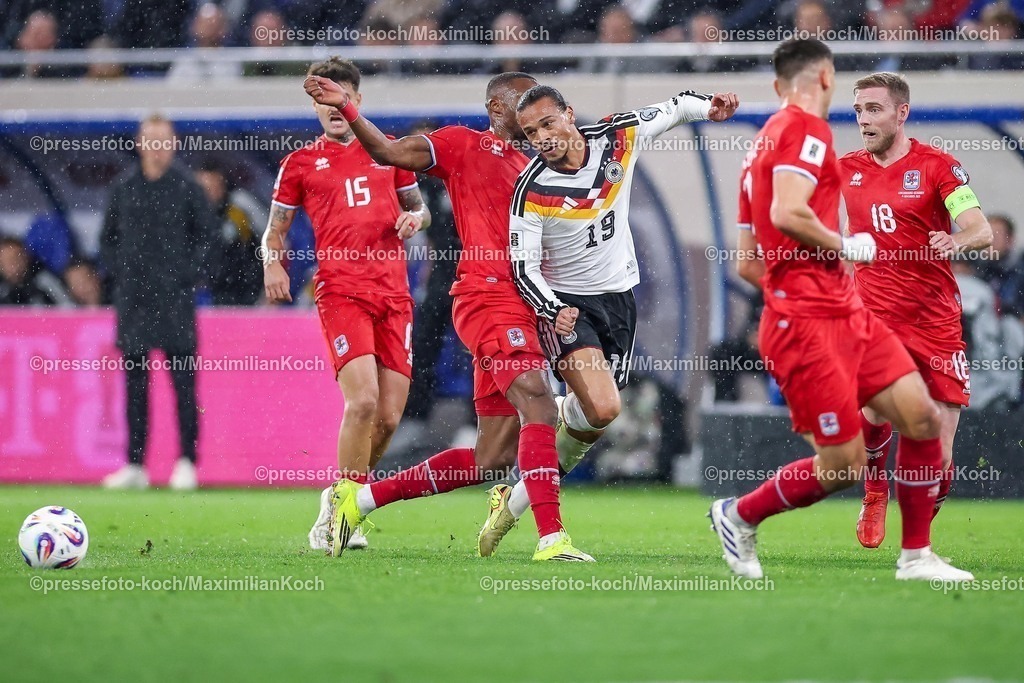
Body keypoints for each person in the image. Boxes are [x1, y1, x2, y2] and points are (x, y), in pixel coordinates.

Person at [304, 70, 592, 562]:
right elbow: (392, 154)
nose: (535, 116)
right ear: (499, 110)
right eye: (525, 103)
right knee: (541, 406)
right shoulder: (463, 145)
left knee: (493, 459)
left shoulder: (537, 166)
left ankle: (358, 501)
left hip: (529, 307)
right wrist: (350, 110)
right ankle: (552, 539)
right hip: (487, 298)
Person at [715, 38, 973, 582]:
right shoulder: (807, 132)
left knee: (923, 419)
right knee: (842, 465)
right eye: (856, 104)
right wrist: (842, 250)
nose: (859, 117)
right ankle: (737, 514)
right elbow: (788, 213)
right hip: (810, 324)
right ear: (827, 78)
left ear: (776, 83)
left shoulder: (760, 146)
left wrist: (811, 284)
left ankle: (916, 557)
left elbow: (745, 263)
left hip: (852, 314)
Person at [477, 84, 739, 555]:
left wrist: (709, 108)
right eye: (532, 132)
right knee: (603, 408)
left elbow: (674, 106)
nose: (543, 137)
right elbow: (523, 267)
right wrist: (551, 309)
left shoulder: (619, 138)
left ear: (569, 114)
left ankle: (512, 502)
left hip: (619, 303)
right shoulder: (531, 190)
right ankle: (548, 527)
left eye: (548, 123)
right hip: (568, 307)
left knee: (588, 420)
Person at [264, 58, 430, 553]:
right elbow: (275, 229)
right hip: (341, 291)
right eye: (325, 98)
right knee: (362, 402)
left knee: (390, 417)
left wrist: (415, 222)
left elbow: (418, 206)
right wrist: (272, 264)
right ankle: (341, 513)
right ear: (315, 105)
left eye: (344, 96)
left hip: (394, 296)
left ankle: (344, 500)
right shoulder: (299, 164)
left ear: (356, 100)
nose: (335, 108)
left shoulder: (388, 151)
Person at [837, 72, 994, 549]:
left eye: (875, 109)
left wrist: (956, 239)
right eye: (860, 110)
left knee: (939, 460)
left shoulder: (939, 166)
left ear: (901, 113)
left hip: (935, 321)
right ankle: (874, 489)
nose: (864, 119)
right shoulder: (845, 168)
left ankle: (921, 512)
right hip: (874, 315)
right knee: (874, 406)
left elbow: (981, 230)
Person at [100, 114, 217, 490]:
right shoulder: (123, 188)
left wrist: (185, 274)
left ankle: (186, 462)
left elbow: (209, 239)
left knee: (183, 385)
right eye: (151, 139)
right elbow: (108, 241)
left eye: (164, 139)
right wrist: (124, 275)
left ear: (174, 143)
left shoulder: (187, 188)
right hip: (134, 302)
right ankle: (135, 464)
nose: (158, 146)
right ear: (139, 142)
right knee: (135, 386)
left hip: (175, 302)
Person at [196, 159, 263, 306]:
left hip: (246, 289)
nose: (207, 193)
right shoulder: (192, 211)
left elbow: (274, 240)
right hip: (210, 291)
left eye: (212, 187)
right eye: (202, 188)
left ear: (222, 185)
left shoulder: (239, 205)